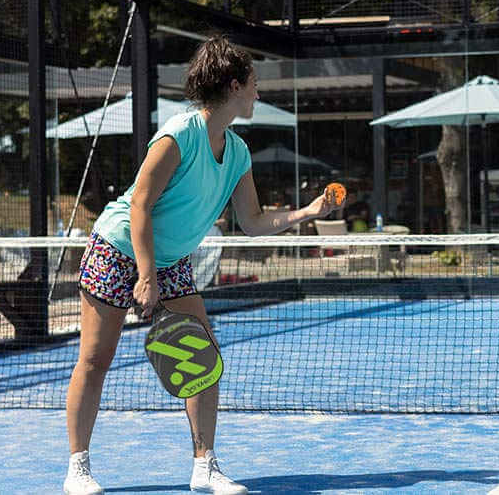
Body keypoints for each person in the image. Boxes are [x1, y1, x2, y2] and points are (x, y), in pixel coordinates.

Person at [63, 36, 341, 495]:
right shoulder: (179, 134)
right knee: (95, 359)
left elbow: (252, 222)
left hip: (168, 259)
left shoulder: (237, 153)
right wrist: (147, 275)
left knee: (203, 356)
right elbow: (140, 207)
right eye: (253, 85)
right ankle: (77, 467)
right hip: (117, 248)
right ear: (233, 85)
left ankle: (204, 465)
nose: (257, 93)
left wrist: (306, 213)